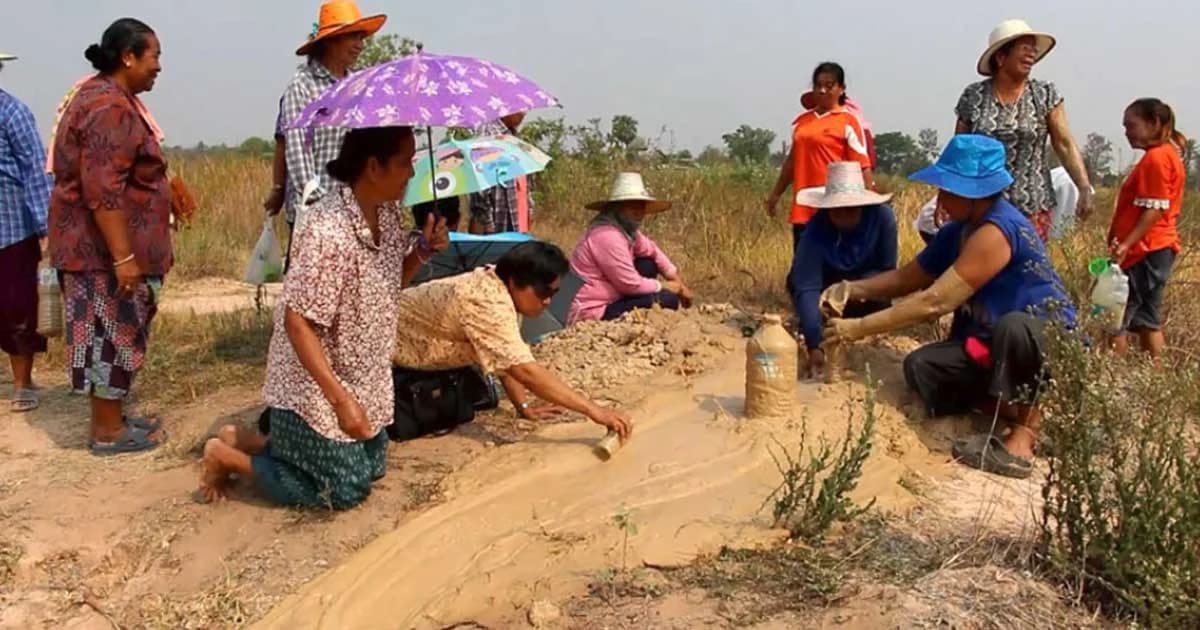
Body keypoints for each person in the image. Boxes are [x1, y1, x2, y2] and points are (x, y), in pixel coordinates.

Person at [199, 126, 450, 506]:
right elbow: (297, 322)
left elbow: (386, 282)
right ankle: (228, 457)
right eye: (404, 162)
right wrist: (340, 401)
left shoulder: (387, 216)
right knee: (345, 490)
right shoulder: (327, 231)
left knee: (373, 468)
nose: (412, 172)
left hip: (362, 378)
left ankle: (253, 442)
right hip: (315, 386)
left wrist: (422, 252)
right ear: (373, 167)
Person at [822, 135, 1076, 479]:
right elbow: (907, 279)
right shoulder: (957, 232)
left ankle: (1026, 432)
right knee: (921, 366)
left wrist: (858, 328)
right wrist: (852, 288)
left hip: (1043, 342)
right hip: (988, 345)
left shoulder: (998, 230)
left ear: (975, 194)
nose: (941, 198)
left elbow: (935, 302)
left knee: (1015, 327)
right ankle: (999, 408)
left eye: (949, 190)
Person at [48, 19, 170, 454]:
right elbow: (102, 189)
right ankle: (106, 431)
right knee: (109, 334)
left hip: (103, 250)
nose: (159, 66)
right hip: (99, 254)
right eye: (154, 55)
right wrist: (123, 257)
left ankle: (112, 417)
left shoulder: (109, 99)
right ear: (128, 57)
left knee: (115, 331)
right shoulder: (109, 108)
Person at [392, 241, 634, 432]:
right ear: (515, 281)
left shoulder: (499, 289)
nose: (547, 301)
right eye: (543, 291)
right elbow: (524, 370)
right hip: (387, 354)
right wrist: (594, 411)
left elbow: (505, 358)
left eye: (553, 293)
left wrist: (523, 406)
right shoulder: (487, 302)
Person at [955, 19, 1093, 241]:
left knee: (1027, 261)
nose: (1032, 54)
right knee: (980, 259)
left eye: (1033, 49)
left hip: (1032, 206)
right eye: (1024, 48)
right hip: (982, 206)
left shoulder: (1044, 94)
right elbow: (960, 150)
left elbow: (1064, 143)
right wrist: (950, 197)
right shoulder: (974, 96)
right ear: (1001, 57)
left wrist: (1084, 186)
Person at [280, 1, 386, 236]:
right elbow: (298, 156)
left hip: (355, 213)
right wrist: (325, 210)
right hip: (315, 216)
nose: (360, 45)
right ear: (330, 41)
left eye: (361, 38)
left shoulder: (358, 86)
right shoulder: (303, 86)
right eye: (353, 37)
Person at [788, 163, 897, 378]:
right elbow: (807, 284)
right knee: (797, 287)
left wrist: (856, 289)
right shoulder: (815, 229)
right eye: (837, 210)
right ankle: (815, 326)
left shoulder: (883, 219)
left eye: (851, 209)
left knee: (882, 300)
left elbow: (888, 271)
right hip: (826, 294)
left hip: (867, 292)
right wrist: (814, 344)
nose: (844, 216)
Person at [1108, 98, 1187, 361]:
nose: (1126, 132)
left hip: (1146, 249)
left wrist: (1126, 244)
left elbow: (1154, 209)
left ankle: (1111, 376)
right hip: (1157, 248)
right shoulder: (1167, 154)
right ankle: (1155, 377)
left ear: (1153, 123)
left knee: (1116, 315)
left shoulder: (1157, 158)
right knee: (1147, 320)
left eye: (1131, 126)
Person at [766, 62, 874, 250]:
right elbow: (791, 163)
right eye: (818, 85)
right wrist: (776, 194)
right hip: (803, 210)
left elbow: (862, 165)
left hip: (836, 210)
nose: (823, 90)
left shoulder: (848, 121)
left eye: (829, 86)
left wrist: (869, 206)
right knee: (802, 264)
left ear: (841, 89)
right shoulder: (802, 123)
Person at [0, 52, 53, 413]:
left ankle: (21, 383)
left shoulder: (13, 112)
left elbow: (35, 169)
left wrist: (45, 226)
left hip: (11, 229)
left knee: (17, 308)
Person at [568, 172, 693, 324]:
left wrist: (679, 284)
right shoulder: (607, 236)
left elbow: (652, 250)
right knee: (668, 299)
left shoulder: (626, 231)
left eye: (641, 205)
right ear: (617, 208)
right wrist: (664, 286)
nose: (638, 211)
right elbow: (630, 285)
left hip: (615, 294)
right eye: (631, 205)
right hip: (594, 309)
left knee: (647, 264)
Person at [916, 166, 1085, 243]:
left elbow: (937, 298)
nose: (943, 203)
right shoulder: (957, 228)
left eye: (948, 194)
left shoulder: (997, 233)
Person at [468, 112, 536, 234]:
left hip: (517, 223)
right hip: (496, 226)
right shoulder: (487, 134)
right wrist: (488, 223)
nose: (524, 113)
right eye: (520, 108)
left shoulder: (513, 135)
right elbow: (480, 184)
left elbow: (525, 178)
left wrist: (529, 209)